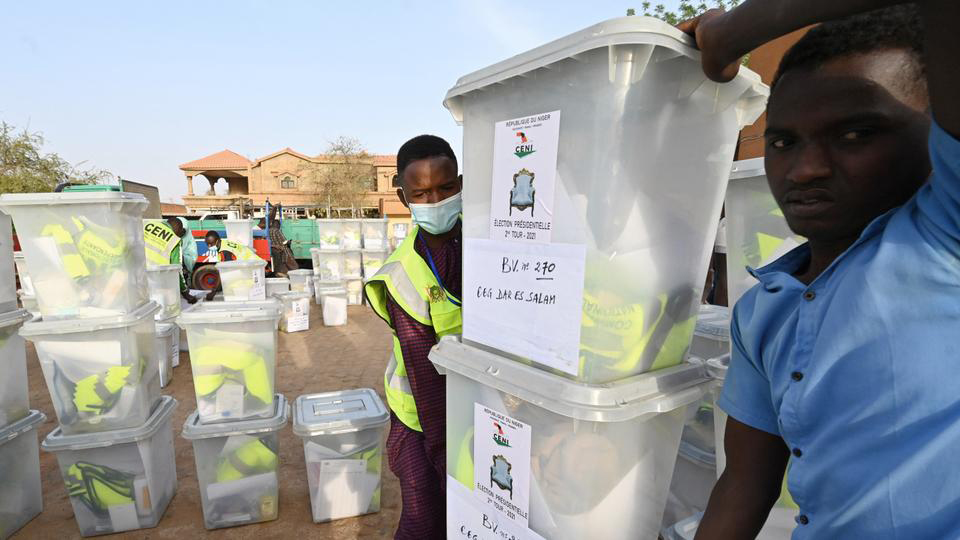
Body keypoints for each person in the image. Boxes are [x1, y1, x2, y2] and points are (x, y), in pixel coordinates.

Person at [680, 1, 959, 538]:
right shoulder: (764, 307)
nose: (805, 169)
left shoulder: (945, 233)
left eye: (856, 134)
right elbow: (744, 482)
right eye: (783, 142)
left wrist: (731, 32)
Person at [364, 135, 462, 539]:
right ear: (404, 199)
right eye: (422, 193)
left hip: (475, 404)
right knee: (426, 517)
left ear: (460, 183)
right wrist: (446, 461)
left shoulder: (489, 243)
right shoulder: (402, 274)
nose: (436, 200)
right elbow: (425, 381)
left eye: (445, 188)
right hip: (421, 417)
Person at [143, 217, 196, 304]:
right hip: (156, 278)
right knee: (169, 303)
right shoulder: (174, 240)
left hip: (136, 273)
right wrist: (185, 292)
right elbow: (176, 270)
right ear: (178, 229)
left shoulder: (148, 224)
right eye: (180, 233)